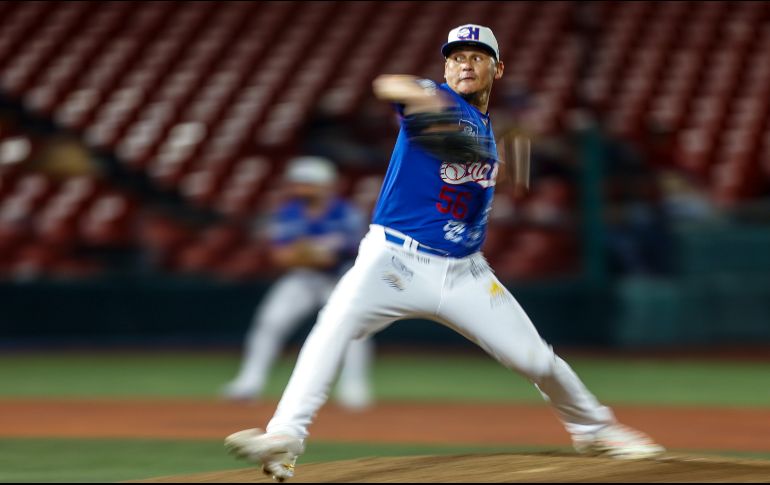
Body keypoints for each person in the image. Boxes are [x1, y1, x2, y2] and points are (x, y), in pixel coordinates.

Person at [225, 24, 665, 481]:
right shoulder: (437, 99)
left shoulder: (488, 132)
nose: (464, 64)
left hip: (465, 273)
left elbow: (501, 174)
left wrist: (511, 161)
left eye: (476, 56)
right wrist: (433, 106)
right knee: (332, 327)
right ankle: (285, 436)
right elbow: (389, 84)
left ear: (497, 68)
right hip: (393, 260)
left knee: (536, 360)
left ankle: (595, 430)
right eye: (456, 57)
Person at [222, 155, 374, 410]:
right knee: (270, 322)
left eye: (306, 183)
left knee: (353, 329)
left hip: (340, 278)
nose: (300, 188)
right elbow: (281, 256)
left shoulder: (346, 212)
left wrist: (309, 252)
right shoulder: (288, 212)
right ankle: (249, 382)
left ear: (325, 185)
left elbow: (347, 252)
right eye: (298, 182)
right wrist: (311, 253)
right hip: (302, 278)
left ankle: (354, 386)